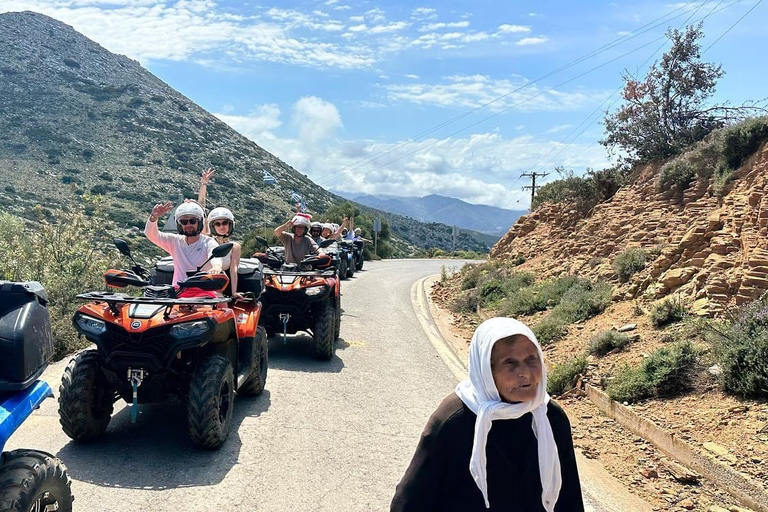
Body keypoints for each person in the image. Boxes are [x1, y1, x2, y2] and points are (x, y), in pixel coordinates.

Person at [391, 317, 583, 512]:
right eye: (510, 362)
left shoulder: (551, 418)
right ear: (486, 370)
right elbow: (410, 502)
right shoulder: (455, 420)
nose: (525, 372)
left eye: (531, 359)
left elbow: (569, 498)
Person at [144, 200, 224, 293]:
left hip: (203, 292)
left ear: (200, 222)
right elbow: (151, 235)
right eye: (184, 221)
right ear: (179, 224)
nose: (188, 225)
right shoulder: (174, 241)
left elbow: (216, 255)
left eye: (193, 221)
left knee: (204, 307)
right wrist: (154, 217)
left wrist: (216, 267)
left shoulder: (208, 242)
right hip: (178, 293)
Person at [197, 169, 243, 299]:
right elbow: (201, 208)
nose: (222, 226)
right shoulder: (206, 238)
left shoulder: (234, 247)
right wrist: (204, 184)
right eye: (217, 224)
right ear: (212, 226)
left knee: (219, 304)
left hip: (217, 286)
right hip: (197, 282)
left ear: (230, 225)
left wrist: (234, 292)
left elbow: (233, 271)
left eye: (225, 223)